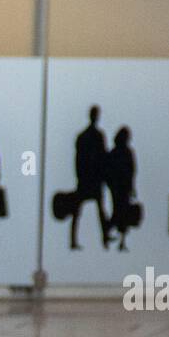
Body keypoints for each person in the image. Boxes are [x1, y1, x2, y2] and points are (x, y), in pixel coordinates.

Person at [70, 105, 109, 251]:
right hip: (91, 178)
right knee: (94, 209)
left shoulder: (85, 136)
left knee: (80, 210)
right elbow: (102, 157)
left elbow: (79, 159)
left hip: (88, 178)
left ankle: (74, 240)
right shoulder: (96, 136)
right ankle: (104, 238)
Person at [105, 126, 137, 252]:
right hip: (121, 187)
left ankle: (116, 238)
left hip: (119, 187)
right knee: (120, 213)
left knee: (120, 213)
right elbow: (131, 170)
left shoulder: (115, 152)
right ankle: (118, 240)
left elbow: (131, 171)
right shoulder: (125, 152)